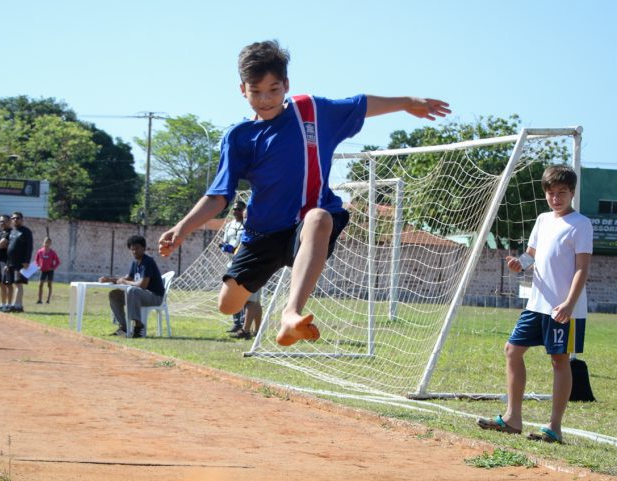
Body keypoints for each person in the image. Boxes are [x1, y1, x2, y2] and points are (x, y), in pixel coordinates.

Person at [158, 40, 450, 347]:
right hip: (264, 232)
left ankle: (291, 315)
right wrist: (182, 228)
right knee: (228, 305)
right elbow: (218, 196)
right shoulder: (239, 137)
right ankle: (271, 298)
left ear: (286, 85)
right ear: (242, 90)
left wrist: (406, 102)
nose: (265, 98)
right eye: (255, 91)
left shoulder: (311, 111)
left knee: (319, 217)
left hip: (310, 222)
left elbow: (359, 103)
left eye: (273, 89)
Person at [477, 165, 593, 444]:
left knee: (559, 360)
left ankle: (554, 427)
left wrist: (568, 303)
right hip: (536, 305)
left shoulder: (581, 224)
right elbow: (531, 255)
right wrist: (520, 264)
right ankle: (512, 418)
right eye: (551, 193)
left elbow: (582, 269)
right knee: (512, 351)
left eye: (562, 192)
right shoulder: (542, 220)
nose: (556, 198)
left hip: (564, 309)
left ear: (572, 193)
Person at [99, 234, 164, 338]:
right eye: (132, 249)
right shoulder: (135, 262)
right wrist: (109, 279)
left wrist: (125, 282)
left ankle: (138, 328)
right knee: (114, 294)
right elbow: (128, 278)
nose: (134, 251)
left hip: (155, 297)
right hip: (139, 296)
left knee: (133, 291)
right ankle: (124, 327)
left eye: (137, 249)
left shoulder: (148, 262)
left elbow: (143, 284)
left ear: (143, 248)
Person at [221, 201, 246, 334]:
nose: (236, 212)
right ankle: (236, 323)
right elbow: (225, 241)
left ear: (244, 210)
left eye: (239, 209)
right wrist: (224, 246)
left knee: (243, 294)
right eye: (235, 209)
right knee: (232, 293)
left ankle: (244, 323)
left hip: (244, 262)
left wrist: (236, 249)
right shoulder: (229, 225)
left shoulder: (248, 225)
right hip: (232, 264)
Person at [2, 212, 33, 313]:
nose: (15, 220)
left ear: (22, 219)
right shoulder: (12, 232)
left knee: (18, 283)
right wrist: (7, 264)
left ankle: (16, 305)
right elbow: (9, 249)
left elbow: (29, 248)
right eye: (13, 218)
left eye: (17, 218)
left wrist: (27, 261)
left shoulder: (26, 231)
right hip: (11, 262)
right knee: (14, 284)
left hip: (21, 263)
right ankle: (18, 306)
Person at [34, 237, 61, 304]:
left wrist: (53, 268)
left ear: (50, 244)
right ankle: (39, 300)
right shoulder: (40, 251)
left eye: (48, 243)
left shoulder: (52, 252)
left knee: (49, 284)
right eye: (45, 242)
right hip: (43, 270)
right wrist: (38, 266)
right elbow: (36, 261)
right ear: (43, 243)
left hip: (50, 271)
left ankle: (48, 299)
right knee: (40, 284)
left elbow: (58, 262)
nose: (47, 244)